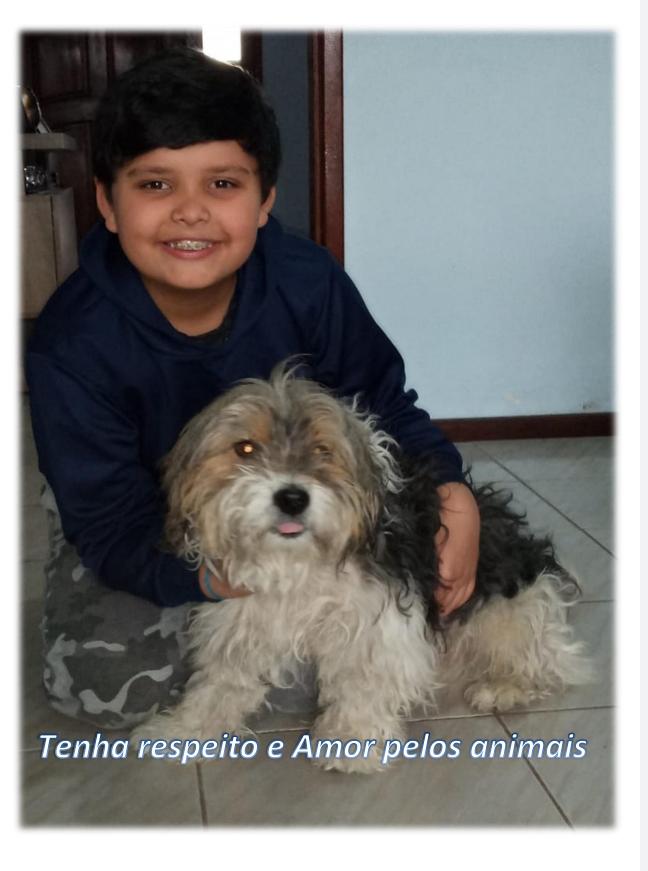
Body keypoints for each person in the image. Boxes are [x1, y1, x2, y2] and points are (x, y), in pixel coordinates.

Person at [25, 46, 480, 729]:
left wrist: (454, 492)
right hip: (135, 510)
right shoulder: (71, 343)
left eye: (222, 184)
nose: (190, 212)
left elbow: (384, 406)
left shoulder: (309, 282)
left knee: (355, 632)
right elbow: (107, 522)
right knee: (101, 688)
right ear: (107, 203)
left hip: (298, 503)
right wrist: (209, 577)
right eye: (155, 184)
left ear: (264, 200)